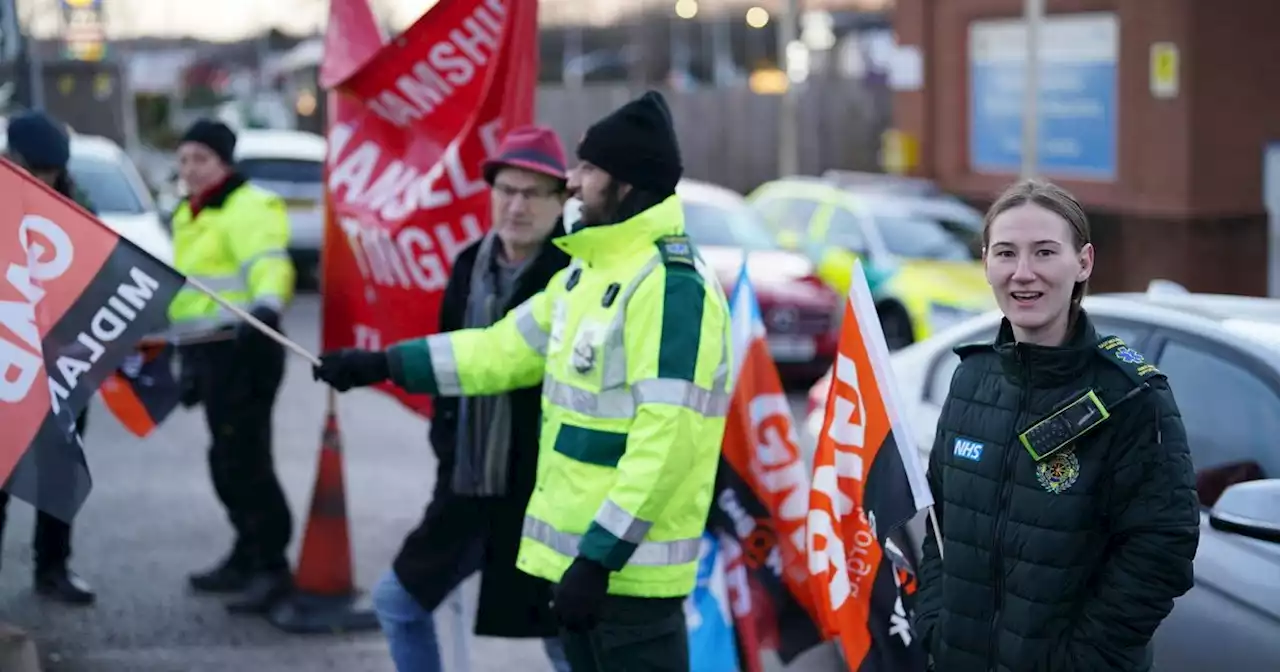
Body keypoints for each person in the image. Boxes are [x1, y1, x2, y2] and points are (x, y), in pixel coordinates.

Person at [313, 91, 732, 672]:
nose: (573, 180)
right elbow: (499, 350)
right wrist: (382, 364)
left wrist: (599, 558)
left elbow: (668, 442)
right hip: (587, 568)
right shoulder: (588, 271)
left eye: (588, 169)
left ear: (627, 184)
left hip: (627, 578)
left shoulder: (669, 285)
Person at [912, 179, 1200, 671]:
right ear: (985, 262)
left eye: (1044, 252)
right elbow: (942, 525)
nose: (1023, 274)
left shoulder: (1131, 396)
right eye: (1006, 253)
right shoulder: (971, 378)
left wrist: (1083, 662)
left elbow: (1161, 552)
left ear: (1083, 262)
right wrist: (936, 621)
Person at [368, 126, 574, 672]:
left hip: (539, 500)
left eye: (534, 193)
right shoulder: (468, 266)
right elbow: (451, 368)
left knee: (565, 640)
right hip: (466, 488)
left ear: (562, 202)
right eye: (506, 190)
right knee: (396, 602)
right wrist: (446, 450)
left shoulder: (574, 277)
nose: (516, 205)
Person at [168, 119, 297, 614]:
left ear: (224, 162)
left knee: (246, 462)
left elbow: (270, 263)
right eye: (183, 160)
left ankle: (271, 567)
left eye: (201, 159)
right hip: (208, 350)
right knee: (225, 460)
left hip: (247, 348)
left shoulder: (247, 205)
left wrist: (267, 305)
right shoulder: (189, 213)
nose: (190, 170)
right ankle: (246, 553)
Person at [0, 110, 96, 605]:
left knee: (57, 472)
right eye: (32, 171)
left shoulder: (78, 210)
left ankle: (54, 569)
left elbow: (98, 276)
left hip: (65, 368)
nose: (41, 183)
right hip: (8, 363)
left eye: (49, 175)